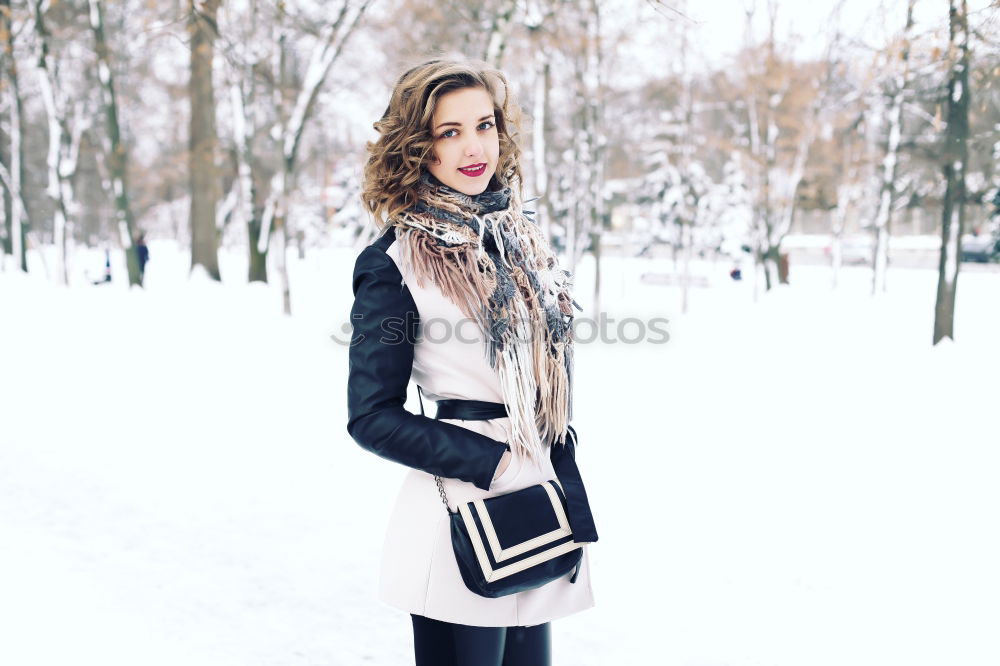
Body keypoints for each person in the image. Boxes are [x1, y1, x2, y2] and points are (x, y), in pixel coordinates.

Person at [346, 57, 597, 666]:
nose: (473, 147)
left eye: (483, 125)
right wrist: (497, 465)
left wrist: (546, 459)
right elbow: (371, 416)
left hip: (534, 503)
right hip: (459, 513)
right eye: (448, 131)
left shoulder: (520, 242)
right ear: (416, 147)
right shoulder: (396, 261)